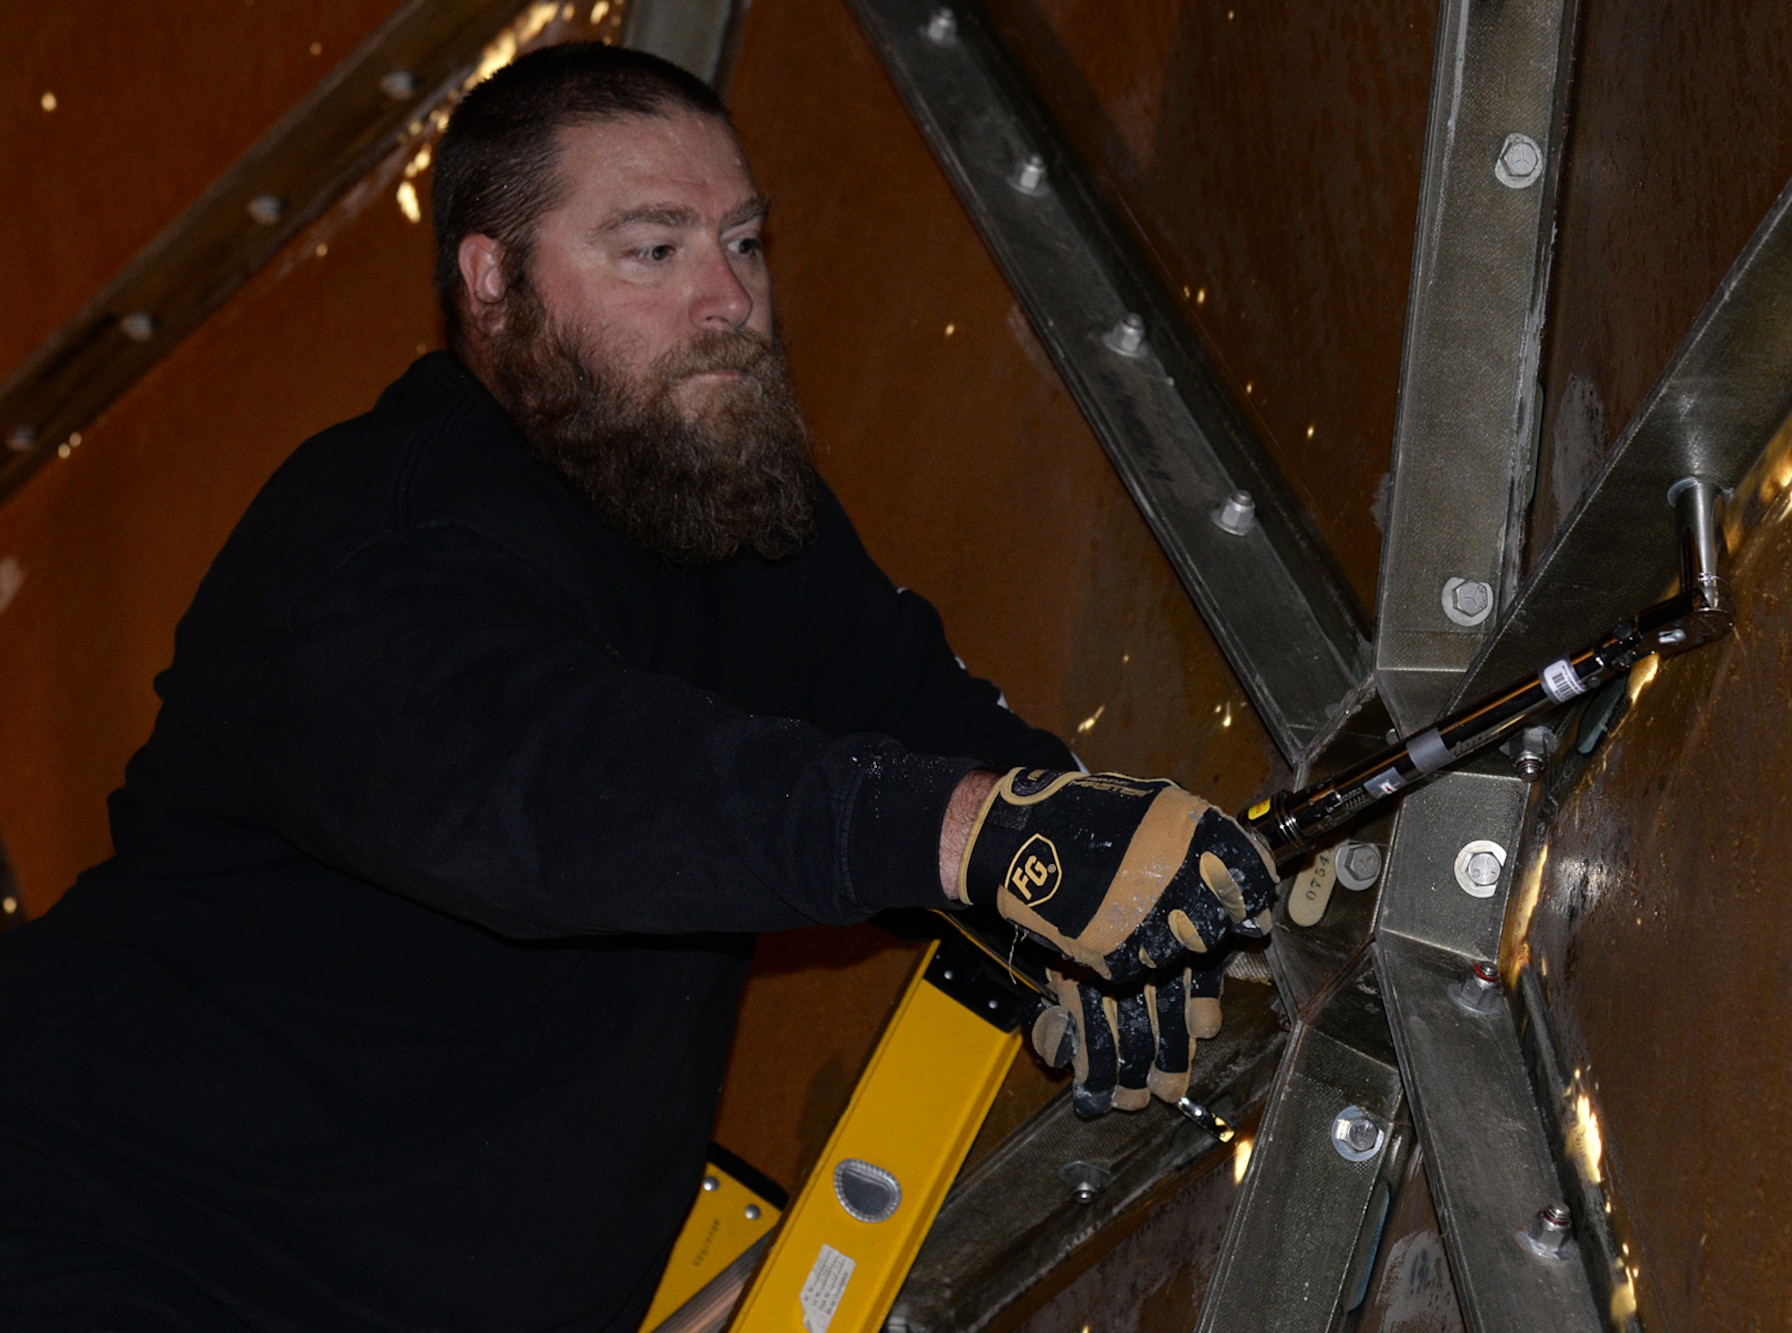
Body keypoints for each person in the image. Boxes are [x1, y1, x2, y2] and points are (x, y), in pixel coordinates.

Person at [0, 43, 1276, 1332]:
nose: (730, 299)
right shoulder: (376, 535)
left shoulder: (739, 524)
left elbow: (935, 738)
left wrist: (1086, 913)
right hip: (107, 1236)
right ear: (491, 286)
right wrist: (964, 838)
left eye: (746, 242)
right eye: (654, 251)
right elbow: (563, 786)